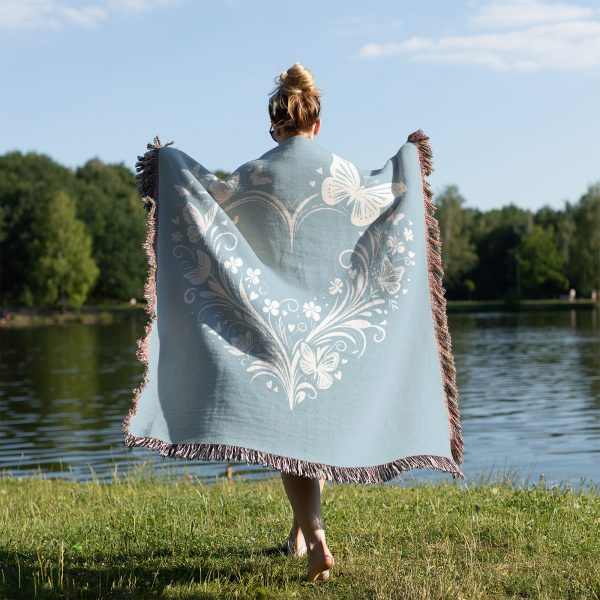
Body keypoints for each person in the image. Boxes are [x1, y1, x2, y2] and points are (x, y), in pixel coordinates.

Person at [268, 62, 333, 583]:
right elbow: (384, 201)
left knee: (290, 440)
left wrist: (171, 167)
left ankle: (316, 542)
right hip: (334, 325)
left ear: (276, 126)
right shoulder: (343, 174)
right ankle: (296, 534)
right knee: (311, 432)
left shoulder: (256, 173)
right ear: (317, 123)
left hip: (277, 324)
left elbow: (210, 208)